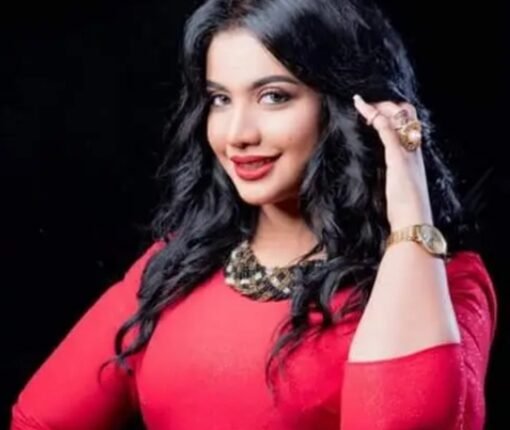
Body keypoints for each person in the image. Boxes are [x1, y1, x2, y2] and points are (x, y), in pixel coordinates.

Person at [11, 0, 498, 429]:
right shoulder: (175, 268)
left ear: (349, 106)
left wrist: (408, 194)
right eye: (220, 100)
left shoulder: (447, 285)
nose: (237, 133)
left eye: (273, 97)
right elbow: (39, 420)